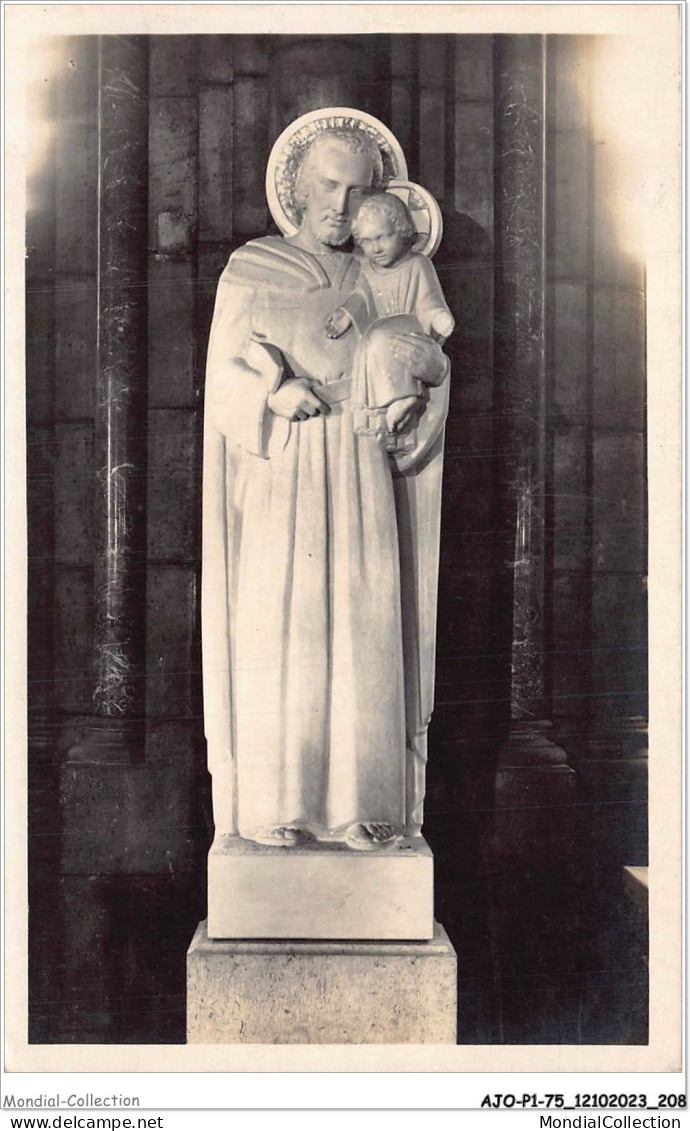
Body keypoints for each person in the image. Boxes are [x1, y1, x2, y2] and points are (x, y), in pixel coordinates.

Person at [202, 121, 449, 852]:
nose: (341, 205)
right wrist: (272, 398)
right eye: (329, 185)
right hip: (286, 464)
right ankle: (280, 801)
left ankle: (366, 805)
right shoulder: (254, 267)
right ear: (297, 188)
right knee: (287, 627)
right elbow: (221, 377)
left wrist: (412, 388)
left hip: (360, 456)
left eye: (357, 189)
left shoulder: (381, 274)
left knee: (365, 624)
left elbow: (427, 355)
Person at [324, 192, 454, 448]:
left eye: (383, 237)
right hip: (377, 339)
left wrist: (439, 317)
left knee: (380, 338)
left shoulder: (418, 264)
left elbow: (428, 300)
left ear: (402, 230)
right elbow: (360, 296)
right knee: (370, 345)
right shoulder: (368, 269)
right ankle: (384, 416)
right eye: (368, 241)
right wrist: (345, 315)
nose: (376, 248)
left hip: (408, 330)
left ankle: (407, 397)